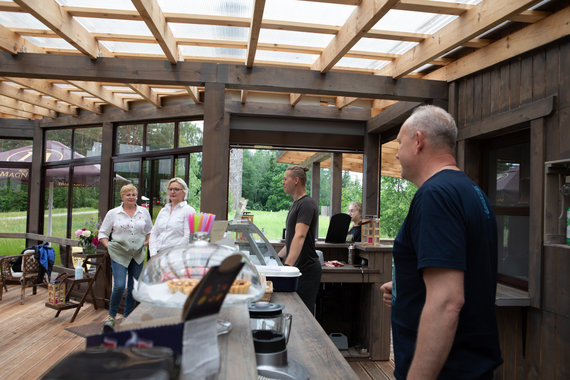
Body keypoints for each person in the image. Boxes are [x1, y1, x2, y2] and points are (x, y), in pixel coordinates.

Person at [380, 105, 502, 380]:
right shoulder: (471, 192)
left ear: (418, 141)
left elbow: (447, 299)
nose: (397, 153)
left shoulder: (435, 196)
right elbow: (462, 272)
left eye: (400, 143)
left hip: (446, 371)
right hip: (469, 365)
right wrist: (407, 286)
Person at [99, 184, 153, 330]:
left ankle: (127, 316)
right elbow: (103, 233)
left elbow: (149, 230)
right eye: (128, 194)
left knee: (132, 288)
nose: (131, 197)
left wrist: (147, 242)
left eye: (134, 194)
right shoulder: (113, 213)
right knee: (119, 286)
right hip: (119, 253)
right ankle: (111, 316)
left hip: (138, 254)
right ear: (122, 196)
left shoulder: (144, 212)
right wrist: (109, 246)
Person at [277, 165, 321, 313]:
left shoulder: (307, 204)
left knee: (303, 315)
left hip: (306, 271)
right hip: (297, 270)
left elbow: (300, 236)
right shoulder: (295, 204)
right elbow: (292, 238)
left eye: (285, 179)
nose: (283, 182)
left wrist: (287, 268)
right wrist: (278, 257)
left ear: (296, 180)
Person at [149, 177, 196, 257]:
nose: (172, 192)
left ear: (184, 192)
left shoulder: (188, 210)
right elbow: (154, 233)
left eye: (176, 189)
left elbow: (188, 236)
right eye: (170, 189)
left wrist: (172, 254)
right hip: (158, 255)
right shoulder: (163, 210)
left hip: (176, 257)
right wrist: (153, 254)